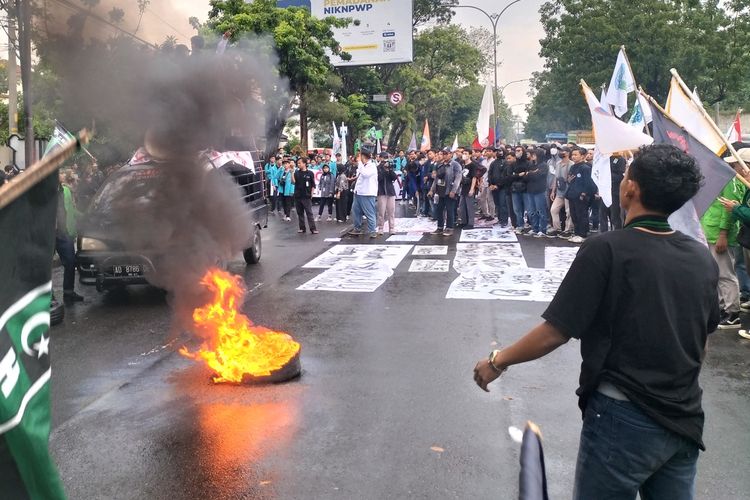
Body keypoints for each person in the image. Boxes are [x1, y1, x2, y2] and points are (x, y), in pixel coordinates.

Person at [474, 144, 719, 500]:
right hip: (683, 417)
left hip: (623, 418)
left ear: (630, 188)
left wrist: (497, 361)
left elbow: (556, 330)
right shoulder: (700, 256)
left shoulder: (606, 249)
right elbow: (702, 339)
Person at [701, 175, 745, 328]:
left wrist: (723, 234)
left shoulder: (727, 180)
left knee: (726, 273)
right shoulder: (718, 179)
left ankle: (733, 312)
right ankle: (723, 307)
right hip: (711, 231)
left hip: (719, 234)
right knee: (718, 273)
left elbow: (729, 210)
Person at [56, 170, 84, 303]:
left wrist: (85, 216)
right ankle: (48, 297)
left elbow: (71, 209)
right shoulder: (43, 194)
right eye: (59, 173)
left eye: (62, 172)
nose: (62, 175)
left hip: (65, 232)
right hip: (50, 233)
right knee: (44, 268)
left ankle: (68, 292)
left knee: (71, 262)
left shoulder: (66, 190)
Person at [565, 147, 596, 243]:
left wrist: (584, 194)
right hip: (572, 194)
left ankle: (583, 234)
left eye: (576, 155)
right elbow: (570, 180)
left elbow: (589, 183)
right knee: (574, 215)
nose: (573, 157)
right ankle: (576, 233)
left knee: (581, 215)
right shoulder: (573, 167)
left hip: (581, 196)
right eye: (572, 155)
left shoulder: (585, 168)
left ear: (582, 156)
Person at [428, 149, 462, 236]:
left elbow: (458, 179)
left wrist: (454, 191)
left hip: (450, 191)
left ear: (451, 154)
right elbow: (436, 179)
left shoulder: (455, 165)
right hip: (441, 191)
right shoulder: (440, 165)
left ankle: (449, 228)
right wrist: (432, 190)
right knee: (439, 210)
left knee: (450, 210)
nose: (444, 155)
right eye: (443, 154)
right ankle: (440, 227)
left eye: (446, 154)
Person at [349, 149, 378, 238]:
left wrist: (360, 164)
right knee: (355, 211)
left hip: (367, 193)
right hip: (358, 192)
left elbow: (365, 174)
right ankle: (357, 228)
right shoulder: (362, 166)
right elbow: (359, 175)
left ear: (363, 156)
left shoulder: (372, 166)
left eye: (359, 156)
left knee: (369, 212)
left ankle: (372, 230)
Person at [525, 148, 550, 237]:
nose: (532, 156)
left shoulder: (543, 165)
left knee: (541, 210)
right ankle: (534, 228)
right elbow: (526, 176)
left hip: (540, 190)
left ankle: (542, 229)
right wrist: (532, 173)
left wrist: (530, 173)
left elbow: (538, 176)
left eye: (534, 155)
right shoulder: (530, 164)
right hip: (530, 190)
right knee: (532, 211)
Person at [599, 153, 627, 231]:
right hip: (605, 191)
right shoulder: (605, 159)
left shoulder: (620, 159)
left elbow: (620, 175)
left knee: (615, 215)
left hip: (614, 192)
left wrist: (608, 175)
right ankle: (603, 233)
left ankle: (617, 233)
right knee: (602, 214)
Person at [292, 158, 318, 234]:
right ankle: (302, 228)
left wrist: (312, 194)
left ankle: (313, 228)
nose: (298, 164)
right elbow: (293, 182)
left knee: (309, 213)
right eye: (298, 163)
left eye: (300, 163)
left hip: (306, 196)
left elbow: (313, 185)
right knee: (300, 213)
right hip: (298, 195)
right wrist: (291, 173)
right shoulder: (296, 173)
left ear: (304, 163)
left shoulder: (310, 173)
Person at [488, 149, 511, 227]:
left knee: (503, 204)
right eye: (497, 152)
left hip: (503, 187)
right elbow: (489, 174)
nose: (499, 153)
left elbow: (505, 176)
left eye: (500, 152)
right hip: (493, 187)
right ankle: (499, 219)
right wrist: (490, 184)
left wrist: (498, 185)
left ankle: (504, 221)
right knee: (497, 204)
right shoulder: (493, 163)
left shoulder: (505, 163)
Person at [376, 152, 398, 235]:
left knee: (391, 211)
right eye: (384, 157)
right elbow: (379, 179)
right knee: (381, 211)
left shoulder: (390, 167)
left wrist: (390, 170)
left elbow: (394, 178)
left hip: (390, 191)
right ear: (380, 158)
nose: (385, 159)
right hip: (381, 191)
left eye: (386, 157)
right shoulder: (378, 168)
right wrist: (383, 169)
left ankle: (392, 228)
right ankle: (380, 228)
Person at [510, 146, 530, 233]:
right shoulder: (513, 164)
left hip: (526, 189)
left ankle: (532, 225)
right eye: (516, 151)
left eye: (519, 150)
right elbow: (509, 176)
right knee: (517, 209)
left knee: (529, 209)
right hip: (515, 189)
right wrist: (518, 175)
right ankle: (520, 225)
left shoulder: (528, 163)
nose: (517, 152)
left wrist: (518, 175)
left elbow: (528, 175)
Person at [457, 150, 477, 229]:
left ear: (470, 155)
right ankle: (463, 221)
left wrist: (472, 189)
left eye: (466, 153)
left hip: (469, 186)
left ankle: (470, 223)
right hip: (463, 186)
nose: (464, 155)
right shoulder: (462, 164)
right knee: (462, 206)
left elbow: (474, 178)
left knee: (470, 206)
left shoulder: (473, 165)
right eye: (463, 153)